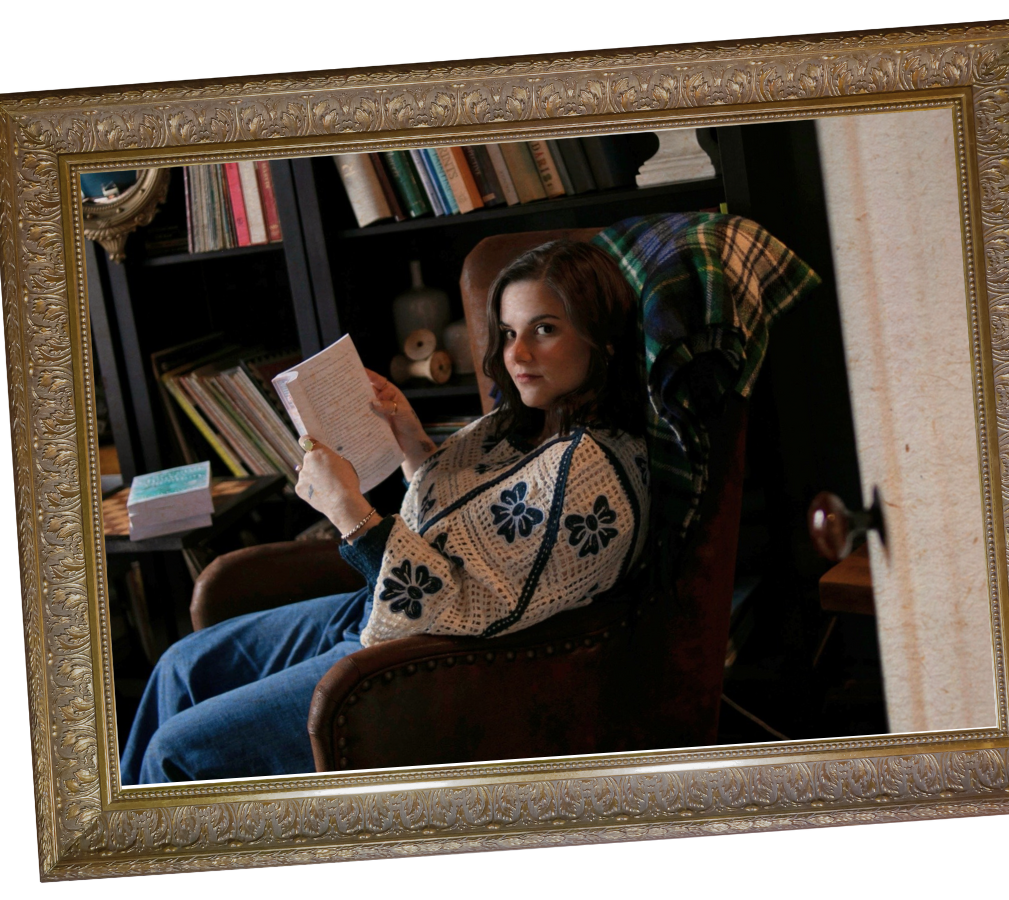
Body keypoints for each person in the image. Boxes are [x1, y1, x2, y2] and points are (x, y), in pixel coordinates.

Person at [120, 240, 651, 787]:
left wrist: (348, 508)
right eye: (510, 333)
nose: (516, 356)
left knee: (175, 752)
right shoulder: (521, 424)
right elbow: (473, 528)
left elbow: (459, 608)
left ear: (602, 338)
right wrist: (413, 442)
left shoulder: (592, 476)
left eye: (545, 330)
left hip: (423, 658)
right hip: (377, 608)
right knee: (178, 668)